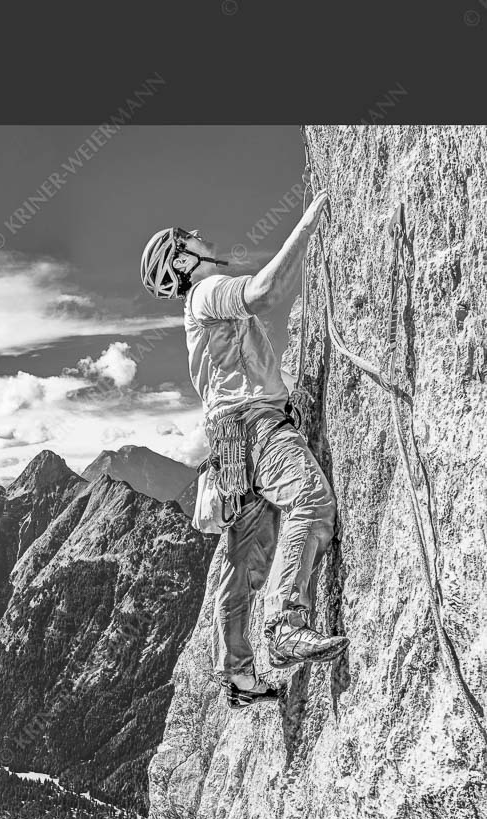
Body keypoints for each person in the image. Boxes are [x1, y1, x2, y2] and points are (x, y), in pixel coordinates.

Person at [139, 194, 347, 709]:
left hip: (230, 445)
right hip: (256, 425)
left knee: (242, 557)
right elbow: (265, 292)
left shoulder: (194, 307)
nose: (198, 234)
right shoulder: (207, 292)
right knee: (310, 502)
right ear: (184, 261)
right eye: (188, 237)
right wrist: (308, 222)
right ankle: (285, 622)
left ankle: (237, 673)